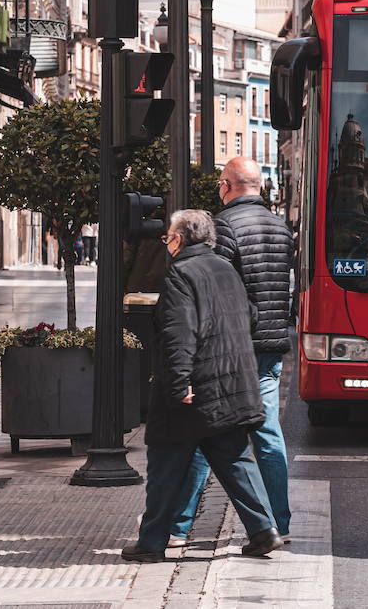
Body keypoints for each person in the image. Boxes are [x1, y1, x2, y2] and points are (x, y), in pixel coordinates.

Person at [122, 209, 281, 562]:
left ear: (179, 238)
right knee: (236, 461)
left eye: (168, 237)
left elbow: (179, 332)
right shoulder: (226, 269)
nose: (167, 243)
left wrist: (178, 384)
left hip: (193, 390)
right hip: (230, 386)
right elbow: (251, 317)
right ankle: (264, 530)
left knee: (165, 465)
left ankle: (150, 543)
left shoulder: (180, 273)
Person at [168, 157, 295, 546]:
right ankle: (277, 522)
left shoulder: (225, 225)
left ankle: (178, 527)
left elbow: (216, 284)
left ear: (227, 185)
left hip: (234, 348)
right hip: (272, 344)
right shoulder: (281, 226)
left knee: (211, 432)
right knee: (268, 435)